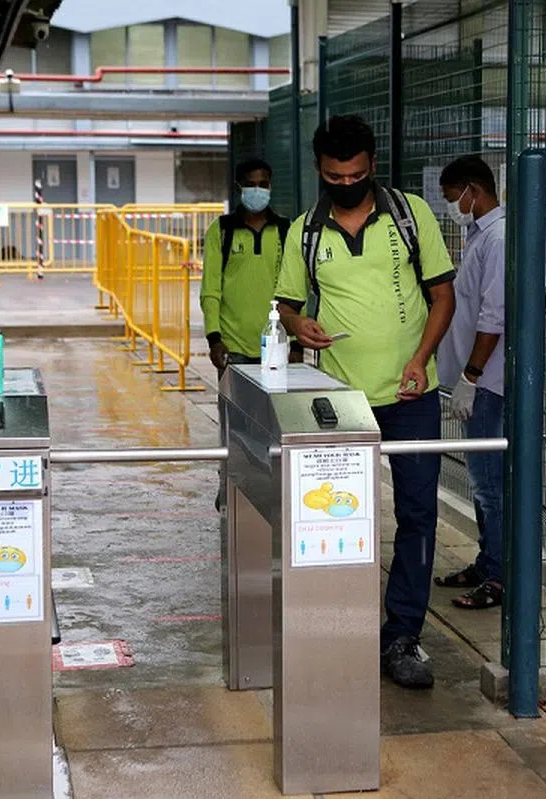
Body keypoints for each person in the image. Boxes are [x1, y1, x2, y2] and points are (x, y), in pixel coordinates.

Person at [274, 115, 456, 689]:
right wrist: (299, 322)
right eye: (334, 175)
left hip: (412, 395)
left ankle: (402, 634)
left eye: (355, 174)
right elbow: (286, 303)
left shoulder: (409, 214)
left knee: (418, 514)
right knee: (337, 514)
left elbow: (442, 295)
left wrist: (419, 359)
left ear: (372, 165)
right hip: (338, 401)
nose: (346, 183)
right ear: (320, 172)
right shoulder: (305, 230)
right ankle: (334, 627)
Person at [433, 155, 506, 611]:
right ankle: (487, 562)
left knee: (489, 483)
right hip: (478, 379)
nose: (451, 208)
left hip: (490, 382)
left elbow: (493, 315)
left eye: (452, 200)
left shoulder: (497, 239)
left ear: (472, 192)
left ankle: (497, 576)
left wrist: (470, 376)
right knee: (483, 482)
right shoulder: (479, 235)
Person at [202, 158, 294, 511]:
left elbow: (292, 290)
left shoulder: (284, 231)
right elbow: (211, 288)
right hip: (233, 348)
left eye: (265, 183)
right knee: (233, 427)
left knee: (274, 425)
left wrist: (294, 342)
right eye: (252, 183)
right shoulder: (222, 232)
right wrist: (214, 337)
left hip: (276, 348)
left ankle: (272, 493)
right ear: (240, 187)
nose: (259, 190)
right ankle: (230, 487)